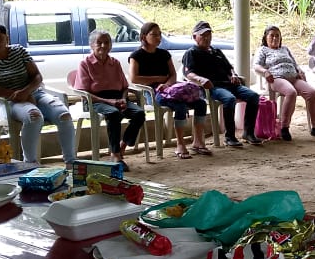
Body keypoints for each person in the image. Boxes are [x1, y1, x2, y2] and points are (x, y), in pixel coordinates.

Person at [0, 23, 76, 165]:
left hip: (35, 94)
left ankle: (71, 162)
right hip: (8, 102)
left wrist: (26, 92)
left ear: (7, 39)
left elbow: (37, 77)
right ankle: (30, 164)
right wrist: (17, 95)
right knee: (34, 117)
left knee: (64, 115)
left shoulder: (19, 51)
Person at [129, 22, 210, 158]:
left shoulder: (164, 54)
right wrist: (158, 79)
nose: (158, 37)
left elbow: (173, 75)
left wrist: (166, 84)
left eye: (159, 34)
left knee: (201, 103)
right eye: (154, 35)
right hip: (152, 92)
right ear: (143, 37)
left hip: (170, 89)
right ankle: (180, 144)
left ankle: (198, 141)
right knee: (180, 106)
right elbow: (134, 78)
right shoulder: (136, 56)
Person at [182, 21, 261, 148]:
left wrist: (234, 75)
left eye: (209, 35)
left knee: (253, 96)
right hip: (212, 87)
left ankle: (248, 133)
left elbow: (230, 68)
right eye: (203, 35)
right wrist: (201, 80)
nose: (207, 38)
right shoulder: (191, 53)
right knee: (229, 99)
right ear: (195, 37)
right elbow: (188, 73)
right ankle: (229, 136)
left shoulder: (216, 51)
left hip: (230, 84)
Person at [74, 30, 146, 169]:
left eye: (106, 42)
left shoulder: (115, 63)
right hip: (95, 100)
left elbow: (124, 86)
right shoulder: (85, 63)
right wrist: (109, 102)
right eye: (99, 43)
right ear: (91, 45)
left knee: (139, 113)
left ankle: (122, 146)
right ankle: (115, 155)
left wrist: (123, 99)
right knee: (113, 113)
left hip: (117, 98)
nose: (103, 46)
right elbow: (83, 92)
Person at [253, 25, 315, 141]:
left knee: (312, 93)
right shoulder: (263, 50)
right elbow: (256, 66)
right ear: (266, 38)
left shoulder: (285, 49)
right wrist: (265, 72)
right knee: (291, 92)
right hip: (276, 78)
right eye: (272, 36)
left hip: (294, 77)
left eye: (277, 36)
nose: (275, 38)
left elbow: (294, 63)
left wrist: (300, 71)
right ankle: (284, 127)